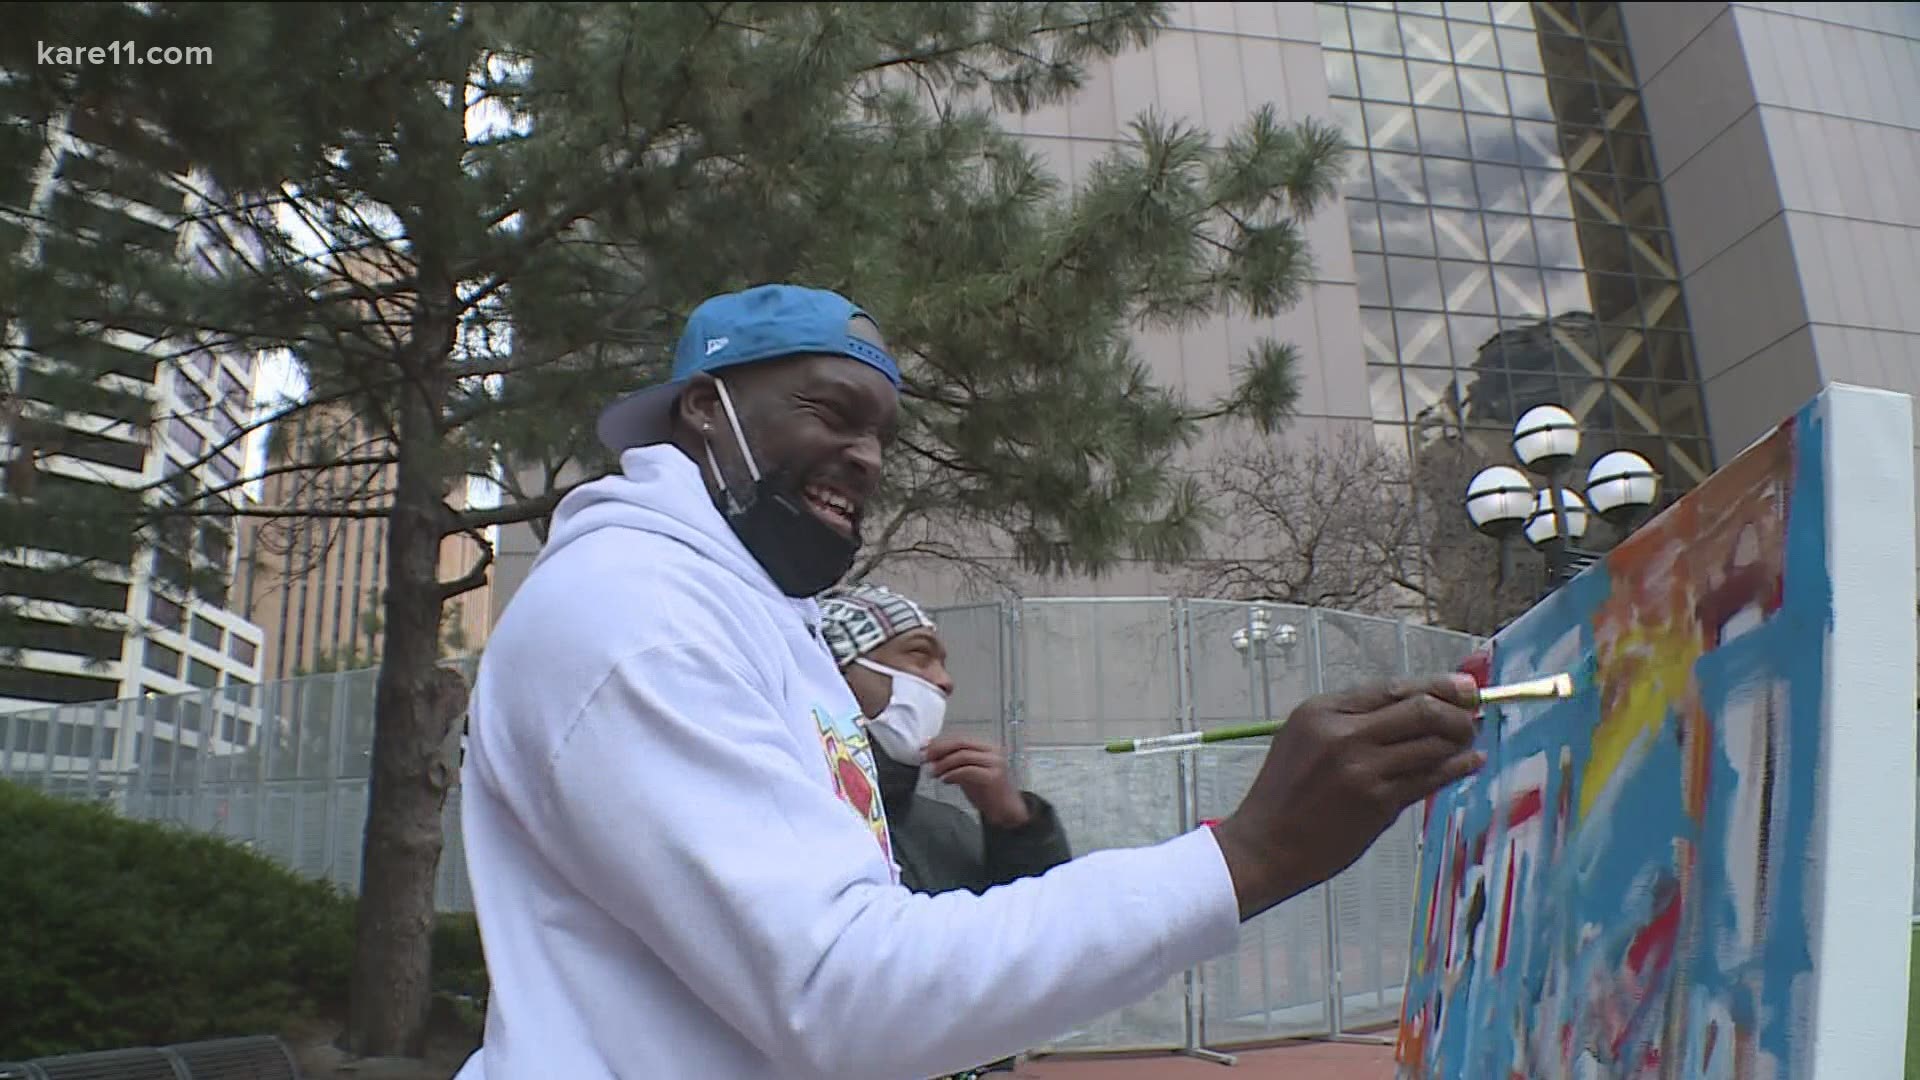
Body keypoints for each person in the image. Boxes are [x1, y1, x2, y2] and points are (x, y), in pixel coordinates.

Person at [454, 283, 1485, 1080]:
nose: (865, 455)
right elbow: (838, 989)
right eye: (831, 411)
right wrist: (1247, 857)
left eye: (882, 435)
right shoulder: (634, 611)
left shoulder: (751, 611)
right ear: (703, 409)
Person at [819, 582, 1072, 893]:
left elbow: (1035, 928)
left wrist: (1015, 826)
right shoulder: (795, 823)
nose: (945, 681)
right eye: (919, 655)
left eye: (943, 664)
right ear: (834, 669)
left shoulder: (948, 829)